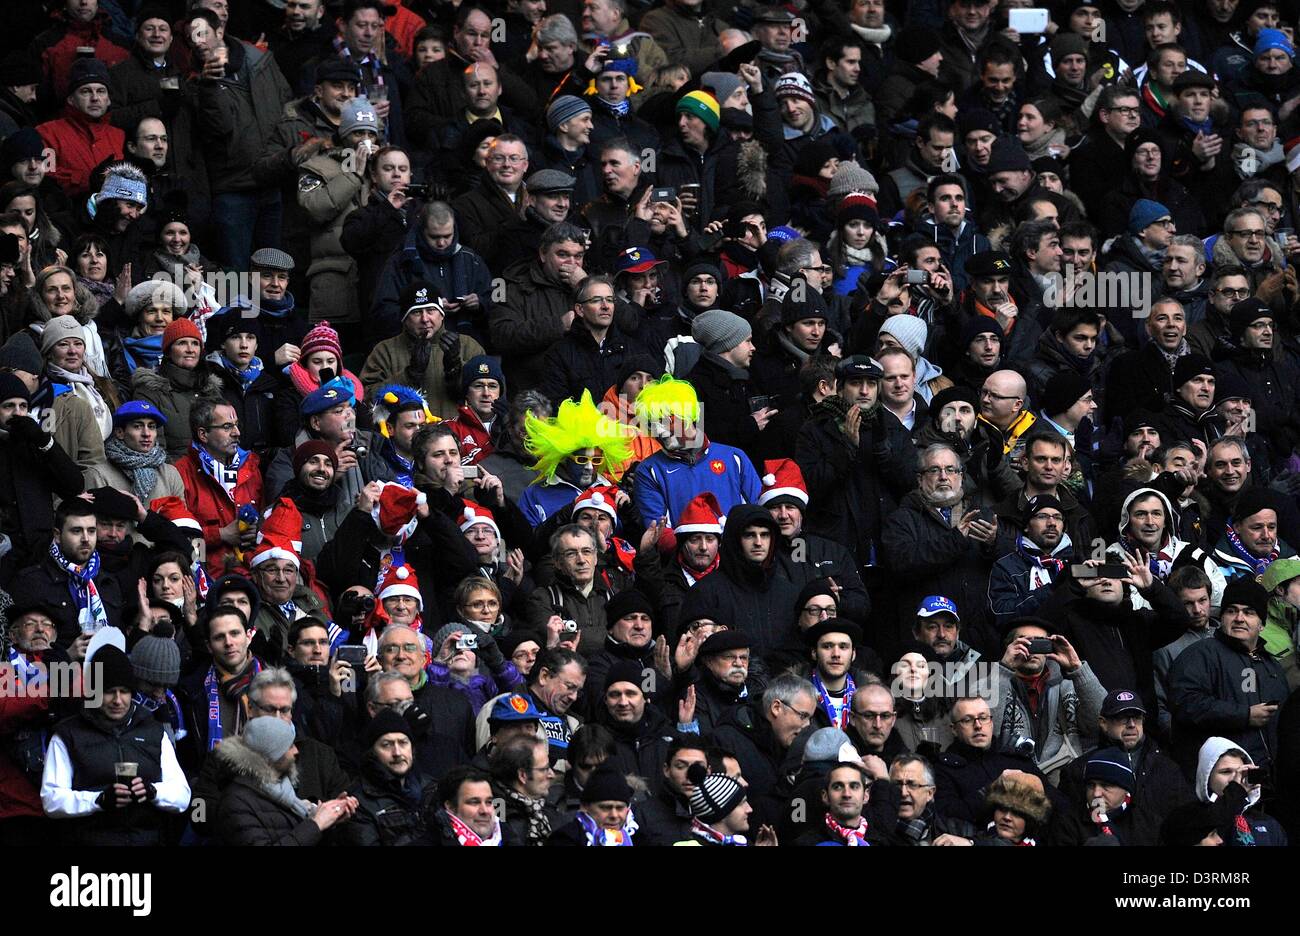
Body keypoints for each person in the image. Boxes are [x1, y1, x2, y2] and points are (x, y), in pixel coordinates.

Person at [40, 642, 191, 845]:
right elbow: (51, 800)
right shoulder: (68, 734)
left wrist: (153, 792)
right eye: (109, 691)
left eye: (124, 691)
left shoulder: (154, 731)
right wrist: (98, 800)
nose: (118, 700)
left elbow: (182, 795)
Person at [1169, 577, 1288, 773]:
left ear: (1262, 624)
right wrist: (1245, 715)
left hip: (1267, 781)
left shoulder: (1272, 666)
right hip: (1218, 782)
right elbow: (1186, 705)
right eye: (1231, 611)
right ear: (1222, 617)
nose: (1239, 618)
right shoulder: (1199, 655)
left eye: (1249, 612)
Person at [213, 715, 358, 845]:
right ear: (272, 754)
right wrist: (316, 824)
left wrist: (331, 819)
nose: (296, 751)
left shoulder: (282, 786)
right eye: (290, 746)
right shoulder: (236, 803)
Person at [336, 709, 429, 846]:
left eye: (403, 743)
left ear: (412, 748)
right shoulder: (358, 802)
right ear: (372, 752)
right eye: (387, 745)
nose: (397, 752)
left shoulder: (431, 786)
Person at [547, 764, 638, 845]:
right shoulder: (564, 840)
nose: (614, 815)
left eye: (620, 808)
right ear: (585, 807)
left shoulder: (631, 838)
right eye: (606, 808)